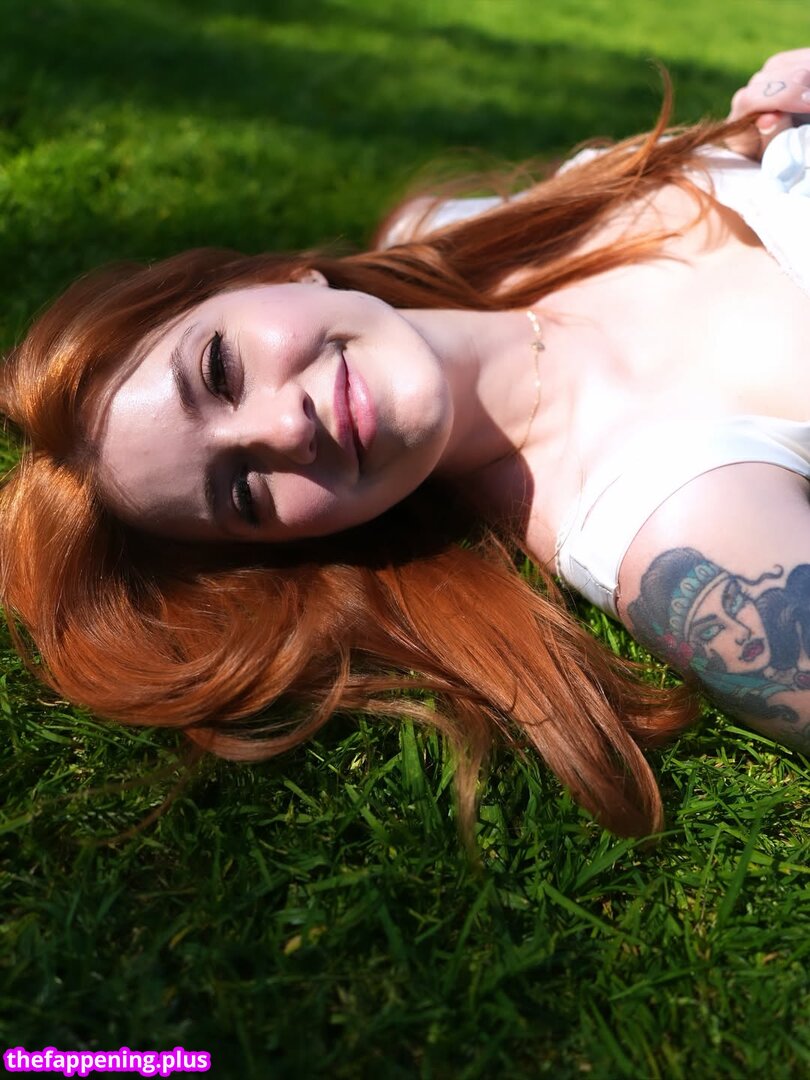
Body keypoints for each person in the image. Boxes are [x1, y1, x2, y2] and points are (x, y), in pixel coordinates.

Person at [2, 50, 810, 841]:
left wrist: (765, 113)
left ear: (269, 279)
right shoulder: (675, 516)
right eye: (243, 490)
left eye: (220, 370)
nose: (285, 430)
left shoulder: (450, 226)